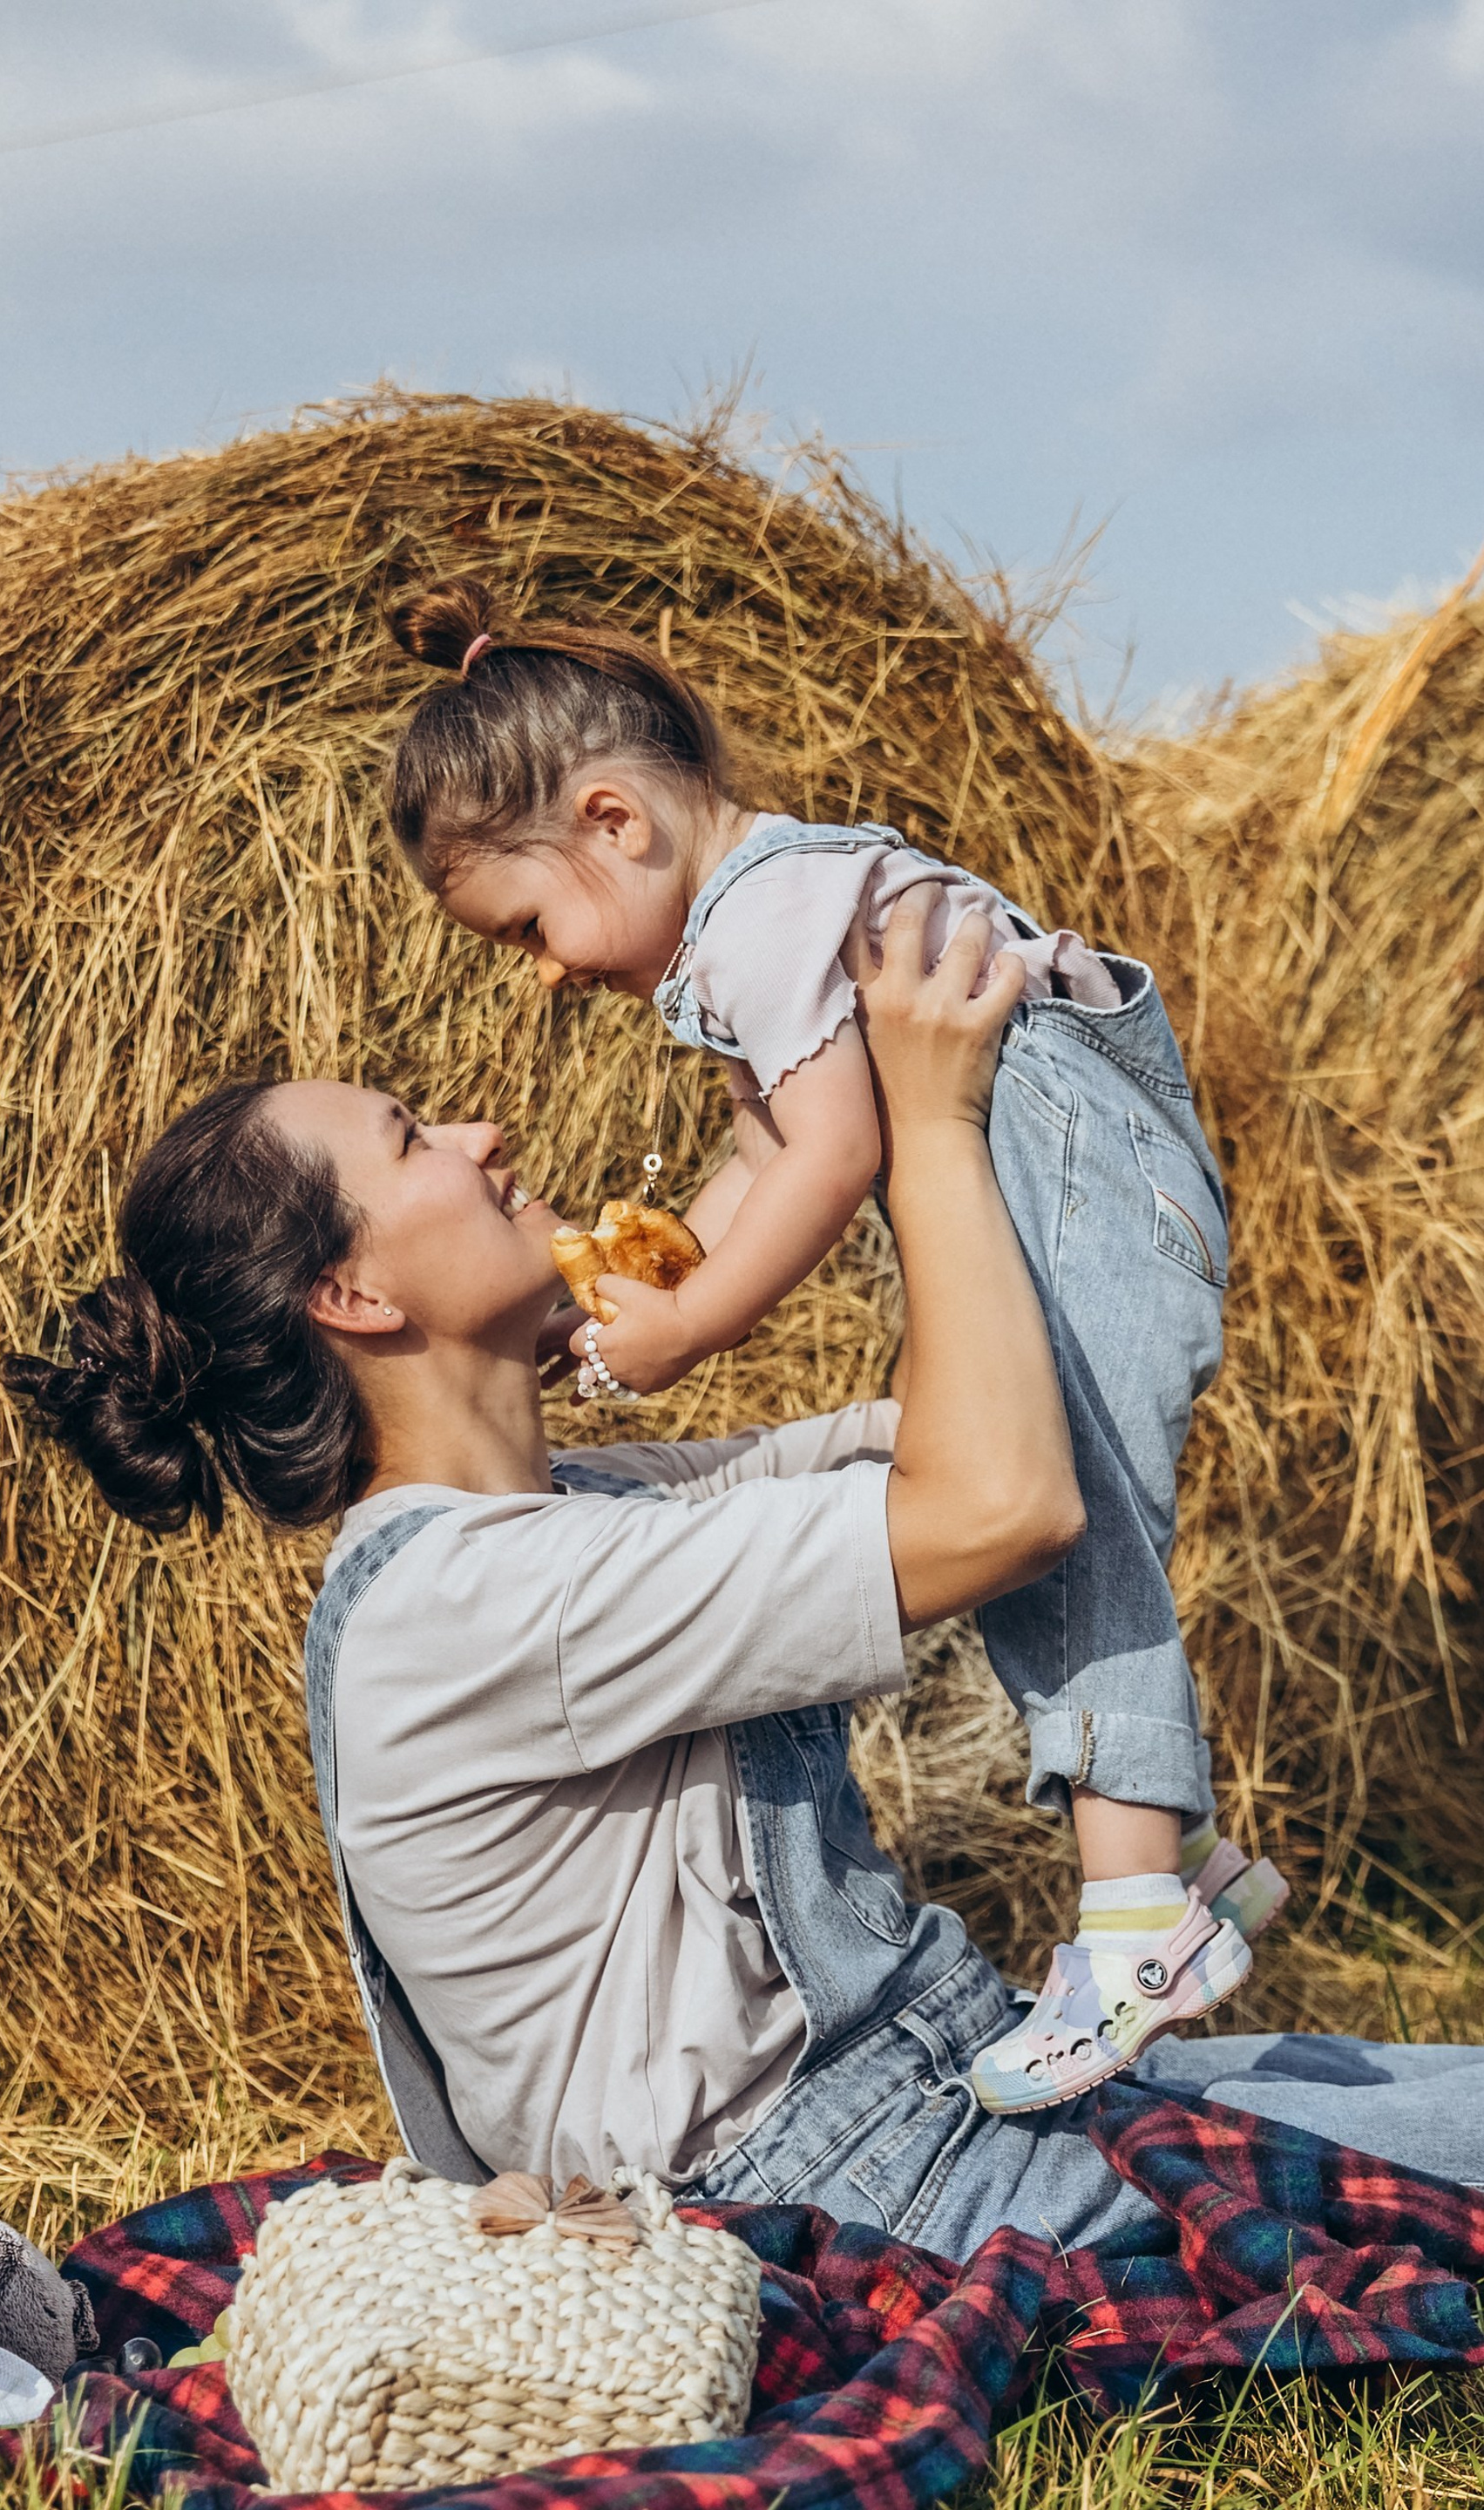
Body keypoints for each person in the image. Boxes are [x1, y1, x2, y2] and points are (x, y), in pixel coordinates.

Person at [2, 898, 1484, 2257]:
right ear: (353, 1294)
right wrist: (935, 1121)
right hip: (832, 2187)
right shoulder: (478, 1603)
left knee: (1412, 2094)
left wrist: (809, 1125)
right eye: (410, 1140)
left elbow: (956, 1437)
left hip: (922, 2098)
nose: (483, 1134)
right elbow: (1008, 1504)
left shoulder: (578, 1512)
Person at [379, 575, 1281, 2115]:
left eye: (527, 926)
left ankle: (1137, 1918)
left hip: (1089, 1178)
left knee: (1064, 1512)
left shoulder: (760, 920)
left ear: (613, 822)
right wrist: (637, 1294)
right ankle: (1181, 1855)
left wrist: (694, 1328)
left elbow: (837, 1154)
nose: (544, 968)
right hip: (1088, 1175)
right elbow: (765, 1154)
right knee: (1021, 1497)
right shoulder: (760, 918)